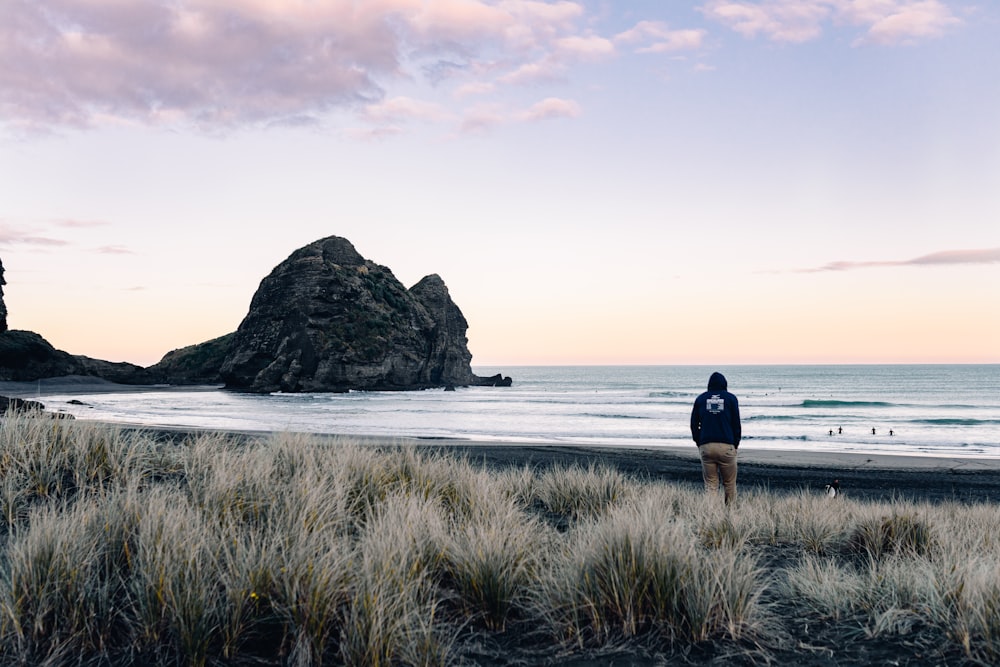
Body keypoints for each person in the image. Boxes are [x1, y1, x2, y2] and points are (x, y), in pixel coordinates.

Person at [690, 371, 742, 505]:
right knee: (729, 483)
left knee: (711, 485)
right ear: (725, 384)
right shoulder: (731, 399)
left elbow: (693, 424)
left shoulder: (701, 399)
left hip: (706, 445)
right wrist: (735, 444)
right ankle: (729, 514)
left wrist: (699, 442)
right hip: (726, 445)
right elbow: (736, 424)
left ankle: (711, 514)